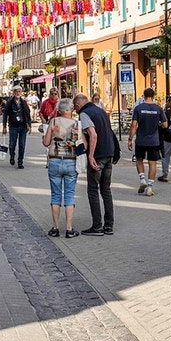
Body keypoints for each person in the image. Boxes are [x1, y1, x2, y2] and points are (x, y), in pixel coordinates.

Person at [74, 92, 116, 236]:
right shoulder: (100, 111)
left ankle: (97, 226)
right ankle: (109, 225)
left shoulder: (85, 114)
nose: (75, 111)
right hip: (109, 153)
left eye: (75, 108)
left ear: (78, 105)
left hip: (97, 155)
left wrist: (90, 155)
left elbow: (93, 134)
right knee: (106, 190)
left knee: (93, 189)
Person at [42, 99, 81, 238]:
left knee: (55, 195)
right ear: (71, 109)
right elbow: (82, 145)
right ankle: (69, 229)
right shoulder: (77, 124)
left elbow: (46, 143)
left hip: (55, 161)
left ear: (59, 110)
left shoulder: (54, 122)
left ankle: (55, 228)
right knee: (70, 195)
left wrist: (45, 138)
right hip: (71, 161)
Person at [128, 87, 167, 196]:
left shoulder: (138, 108)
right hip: (154, 141)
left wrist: (130, 139)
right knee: (152, 163)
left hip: (141, 140)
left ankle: (142, 180)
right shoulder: (159, 109)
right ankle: (149, 188)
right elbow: (165, 125)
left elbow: (134, 125)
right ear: (153, 96)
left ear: (144, 96)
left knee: (139, 159)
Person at [3, 85, 32, 168]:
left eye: (19, 91)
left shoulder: (24, 102)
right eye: (16, 91)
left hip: (23, 126)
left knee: (22, 145)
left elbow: (27, 114)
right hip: (13, 126)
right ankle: (12, 156)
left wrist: (29, 125)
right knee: (12, 144)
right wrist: (4, 126)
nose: (18, 93)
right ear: (13, 92)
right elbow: (5, 114)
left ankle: (20, 162)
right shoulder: (10, 102)